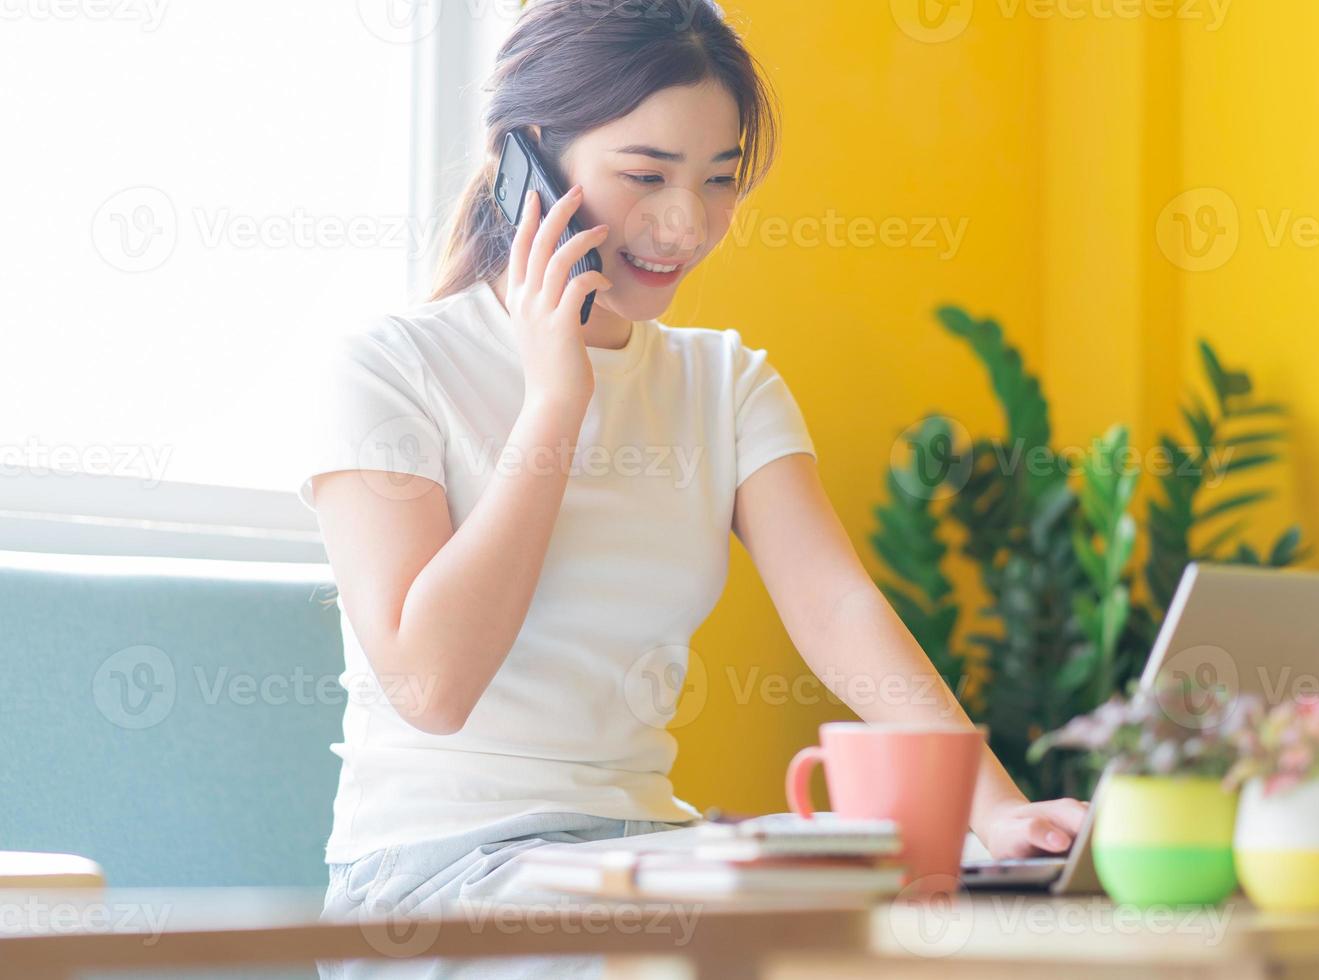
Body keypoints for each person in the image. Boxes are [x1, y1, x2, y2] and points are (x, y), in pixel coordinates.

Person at [300, 2, 1086, 976]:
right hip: (429, 881)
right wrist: (557, 399)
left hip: (640, 861)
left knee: (923, 927)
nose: (687, 223)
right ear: (528, 160)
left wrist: (999, 809)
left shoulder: (724, 382)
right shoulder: (388, 369)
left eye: (720, 181)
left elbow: (838, 608)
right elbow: (430, 683)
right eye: (646, 175)